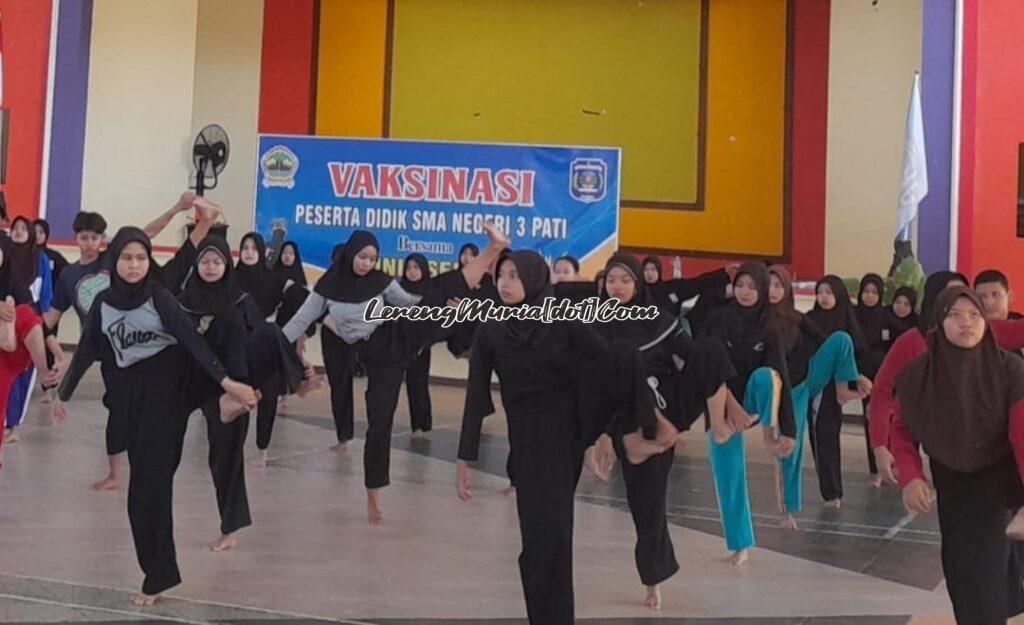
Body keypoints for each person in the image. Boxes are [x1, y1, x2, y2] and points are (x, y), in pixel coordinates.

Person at [54, 227, 257, 606]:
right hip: (136, 397)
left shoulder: (159, 297)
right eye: (127, 258)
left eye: (141, 258)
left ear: (150, 261)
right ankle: (159, 573)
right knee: (144, 492)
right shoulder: (104, 304)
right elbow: (87, 349)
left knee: (148, 490)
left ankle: (157, 577)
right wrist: (62, 394)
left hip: (173, 388)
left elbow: (193, 342)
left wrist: (227, 381)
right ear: (114, 260)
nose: (134, 265)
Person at [458, 249, 639, 624]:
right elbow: (476, 394)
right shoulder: (492, 328)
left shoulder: (562, 321)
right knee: (538, 541)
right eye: (502, 276)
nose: (506, 283)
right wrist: (465, 458)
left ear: (534, 279)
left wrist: (605, 431)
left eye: (514, 276)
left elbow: (610, 364)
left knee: (552, 535)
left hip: (564, 438)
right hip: (525, 443)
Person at [283, 224, 509, 524]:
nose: (366, 263)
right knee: (380, 421)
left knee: (441, 290)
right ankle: (373, 497)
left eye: (372, 258)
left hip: (396, 333)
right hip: (378, 360)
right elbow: (299, 322)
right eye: (362, 256)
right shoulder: (326, 288)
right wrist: (271, 341)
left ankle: (494, 248)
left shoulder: (381, 281)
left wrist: (439, 310)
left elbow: (411, 303)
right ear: (351, 253)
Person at [583, 253, 736, 610]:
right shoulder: (596, 327)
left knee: (711, 348)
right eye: (611, 280)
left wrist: (731, 406)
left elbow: (696, 359)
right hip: (628, 417)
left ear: (638, 284)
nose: (617, 287)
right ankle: (652, 578)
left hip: (669, 408)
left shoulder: (660, 321)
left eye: (624, 280)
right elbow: (595, 386)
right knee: (647, 506)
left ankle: (716, 427)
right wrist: (601, 436)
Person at [42, 195, 222, 489]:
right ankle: (114, 473)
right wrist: (43, 346)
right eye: (83, 237)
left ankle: (208, 222)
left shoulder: (115, 258)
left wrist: (176, 208)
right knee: (116, 406)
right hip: (109, 347)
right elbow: (51, 318)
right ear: (76, 238)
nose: (89, 242)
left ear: (103, 239)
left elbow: (145, 233)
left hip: (142, 338)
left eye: (94, 237)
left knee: (178, 267)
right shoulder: (69, 275)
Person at [892, 286, 1024, 624]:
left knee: (988, 574)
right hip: (951, 482)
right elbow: (902, 428)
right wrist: (911, 475)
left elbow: (1023, 434)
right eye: (955, 315)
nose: (966, 323)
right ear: (939, 322)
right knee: (960, 571)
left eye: (975, 315)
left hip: (998, 482)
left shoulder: (1010, 370)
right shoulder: (920, 373)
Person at [698, 262, 798, 565]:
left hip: (755, 399)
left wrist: (789, 430)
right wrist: (730, 408)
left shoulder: (769, 326)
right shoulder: (718, 318)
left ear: (763, 291)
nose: (745, 292)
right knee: (728, 475)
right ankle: (740, 543)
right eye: (741, 285)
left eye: (753, 287)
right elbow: (708, 366)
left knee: (768, 377)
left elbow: (781, 376)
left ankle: (769, 432)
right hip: (721, 403)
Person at [767, 265, 869, 526]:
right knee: (793, 445)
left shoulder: (798, 318)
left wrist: (853, 376)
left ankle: (844, 388)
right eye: (768, 285)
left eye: (778, 286)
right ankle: (788, 509)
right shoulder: (758, 321)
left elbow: (827, 342)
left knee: (841, 339)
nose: (772, 291)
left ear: (787, 289)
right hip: (788, 390)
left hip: (810, 376)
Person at [805, 275, 867, 507]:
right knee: (821, 436)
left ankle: (834, 490)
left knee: (830, 436)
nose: (824, 297)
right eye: (820, 292)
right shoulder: (809, 320)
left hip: (834, 388)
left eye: (829, 292)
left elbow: (859, 352)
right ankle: (830, 491)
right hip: (817, 384)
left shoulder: (847, 321)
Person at [0, 236, 61, 467]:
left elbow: (38, 325)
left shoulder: (15, 288)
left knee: (25, 313)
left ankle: (44, 371)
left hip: (6, 354)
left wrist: (57, 353)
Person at [854, 273, 891, 485]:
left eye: (874, 292)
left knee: (883, 418)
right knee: (869, 418)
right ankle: (875, 467)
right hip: (860, 373)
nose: (869, 296)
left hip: (883, 375)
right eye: (866, 292)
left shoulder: (886, 317)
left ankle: (888, 464)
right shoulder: (854, 315)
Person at [399, 253, 433, 438]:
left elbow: (433, 323)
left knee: (418, 384)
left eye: (416, 267)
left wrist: (423, 343)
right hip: (399, 344)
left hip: (421, 346)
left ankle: (421, 424)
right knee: (402, 385)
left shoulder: (430, 292)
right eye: (409, 267)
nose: (412, 272)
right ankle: (414, 425)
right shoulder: (399, 290)